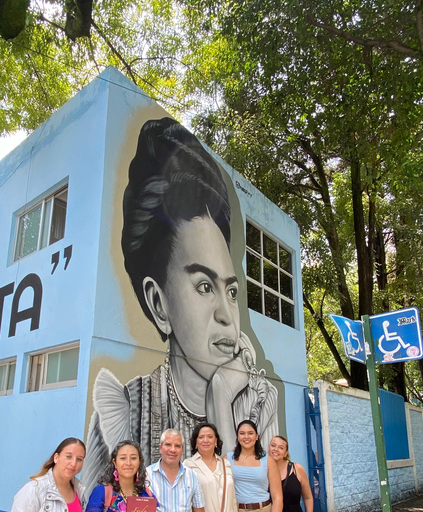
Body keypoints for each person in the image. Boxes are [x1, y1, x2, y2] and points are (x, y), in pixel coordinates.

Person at [83, 118, 278, 487]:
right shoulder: (125, 410)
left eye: (231, 291)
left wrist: (222, 395)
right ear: (159, 305)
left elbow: (248, 493)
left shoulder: (259, 398)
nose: (226, 316)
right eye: (204, 286)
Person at [11, 437, 87, 512]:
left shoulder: (80, 490)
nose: (73, 463)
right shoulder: (34, 489)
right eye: (68, 457)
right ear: (56, 457)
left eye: (79, 459)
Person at [85, 440, 154, 512]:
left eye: (133, 458)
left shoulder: (147, 495)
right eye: (123, 458)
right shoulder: (101, 492)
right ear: (115, 463)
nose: (128, 463)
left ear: (139, 462)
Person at [228, 420, 282, 512]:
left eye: (250, 433)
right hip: (235, 508)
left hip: (262, 508)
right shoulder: (228, 459)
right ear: (237, 437)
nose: (246, 437)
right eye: (242, 433)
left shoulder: (268, 460)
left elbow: (277, 497)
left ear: (256, 436)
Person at [147, 429, 206, 512]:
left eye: (177, 446)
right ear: (160, 448)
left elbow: (199, 509)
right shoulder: (146, 475)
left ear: (182, 450)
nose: (173, 450)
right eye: (168, 445)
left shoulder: (192, 476)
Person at [184, 423, 238, 512]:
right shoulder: (188, 465)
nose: (206, 440)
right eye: (201, 437)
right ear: (196, 442)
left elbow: (232, 499)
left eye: (210, 436)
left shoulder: (225, 464)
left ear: (215, 441)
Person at [267, 436, 313, 512]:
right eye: (273, 445)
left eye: (281, 448)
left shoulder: (297, 469)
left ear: (286, 453)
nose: (276, 449)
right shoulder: (262, 471)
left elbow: (308, 498)